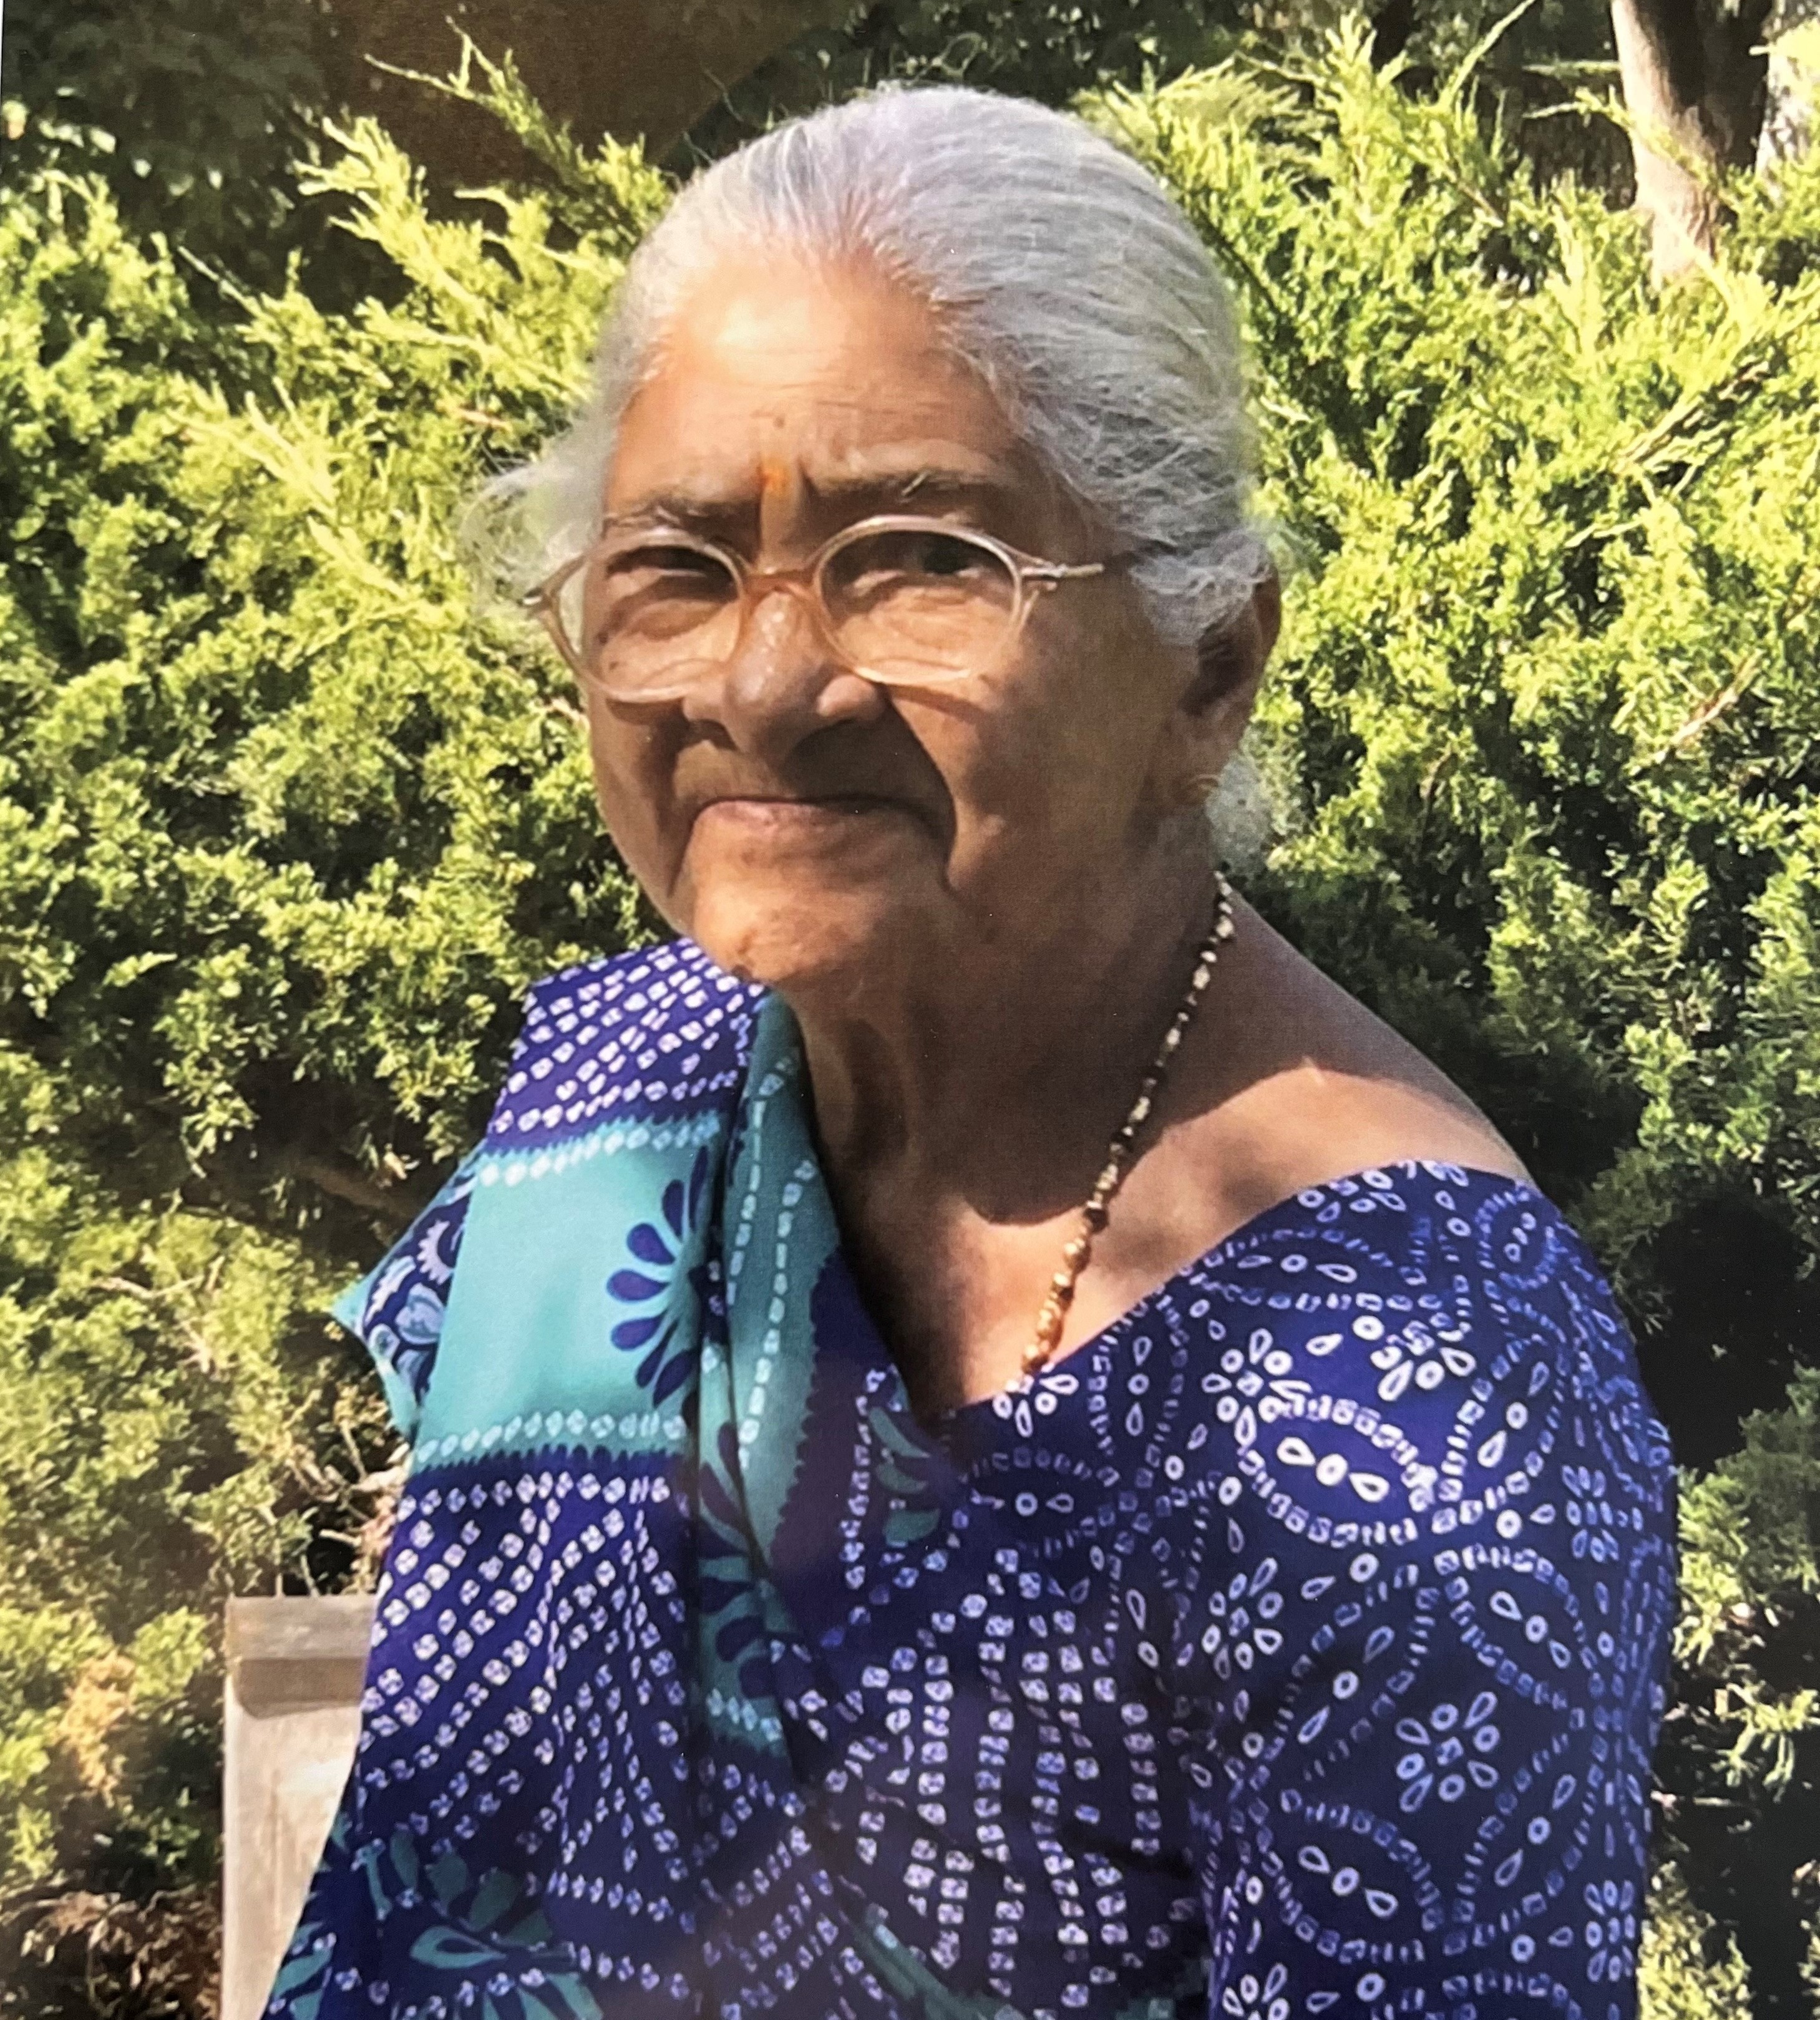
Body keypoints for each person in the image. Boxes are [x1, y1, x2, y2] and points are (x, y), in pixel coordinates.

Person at [265, 84, 1677, 2020]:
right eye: (674, 565)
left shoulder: (1411, 1420)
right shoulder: (630, 1099)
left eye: (920, 558)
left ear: (1208, 667)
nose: (766, 684)